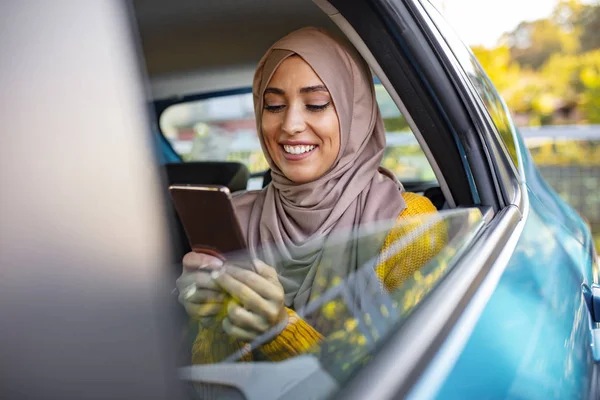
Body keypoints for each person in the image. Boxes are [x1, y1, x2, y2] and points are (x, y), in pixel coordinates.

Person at [176, 27, 445, 365]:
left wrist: (280, 329)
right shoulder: (235, 219)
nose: (290, 124)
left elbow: (408, 372)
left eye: (316, 104)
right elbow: (213, 382)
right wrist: (213, 321)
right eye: (273, 105)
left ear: (353, 112)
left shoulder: (409, 224)